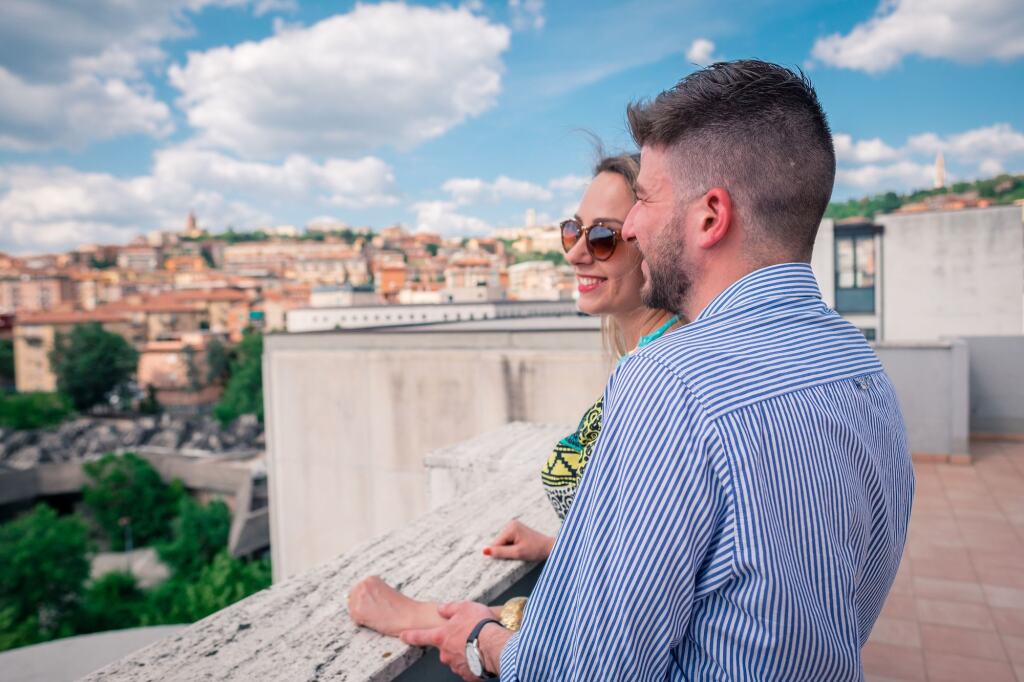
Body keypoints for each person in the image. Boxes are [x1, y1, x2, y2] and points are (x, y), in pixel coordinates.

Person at [401, 60, 915, 681]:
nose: (635, 227)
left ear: (710, 216)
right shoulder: (860, 367)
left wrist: (482, 641)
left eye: (644, 199)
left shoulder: (671, 384)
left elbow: (579, 672)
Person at [347, 153, 683, 638]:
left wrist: (434, 621)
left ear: (653, 242)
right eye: (573, 231)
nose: (575, 254)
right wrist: (560, 546)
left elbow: (628, 615)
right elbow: (651, 548)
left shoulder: (659, 382)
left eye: (603, 237)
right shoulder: (648, 359)